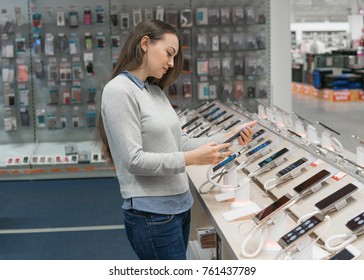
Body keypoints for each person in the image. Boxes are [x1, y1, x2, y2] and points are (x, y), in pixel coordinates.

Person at [96, 19, 256, 260]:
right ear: (145, 43)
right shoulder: (119, 90)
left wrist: (230, 138)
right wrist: (191, 159)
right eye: (169, 54)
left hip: (179, 209)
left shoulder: (154, 91)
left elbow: (180, 142)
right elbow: (134, 160)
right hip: (152, 216)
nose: (171, 64)